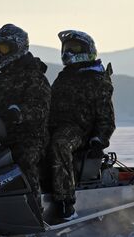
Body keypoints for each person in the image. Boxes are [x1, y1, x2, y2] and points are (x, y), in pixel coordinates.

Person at [0, 24, 51, 209]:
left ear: (18, 48)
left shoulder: (34, 78)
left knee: (22, 161)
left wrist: (18, 113)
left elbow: (39, 108)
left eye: (3, 49)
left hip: (28, 138)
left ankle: (34, 215)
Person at [48, 30, 116, 220]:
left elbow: (106, 117)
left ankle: (66, 204)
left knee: (60, 143)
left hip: (79, 130)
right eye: (67, 48)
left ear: (88, 50)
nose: (69, 52)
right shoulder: (65, 76)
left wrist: (99, 140)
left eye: (74, 48)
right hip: (54, 126)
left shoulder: (97, 80)